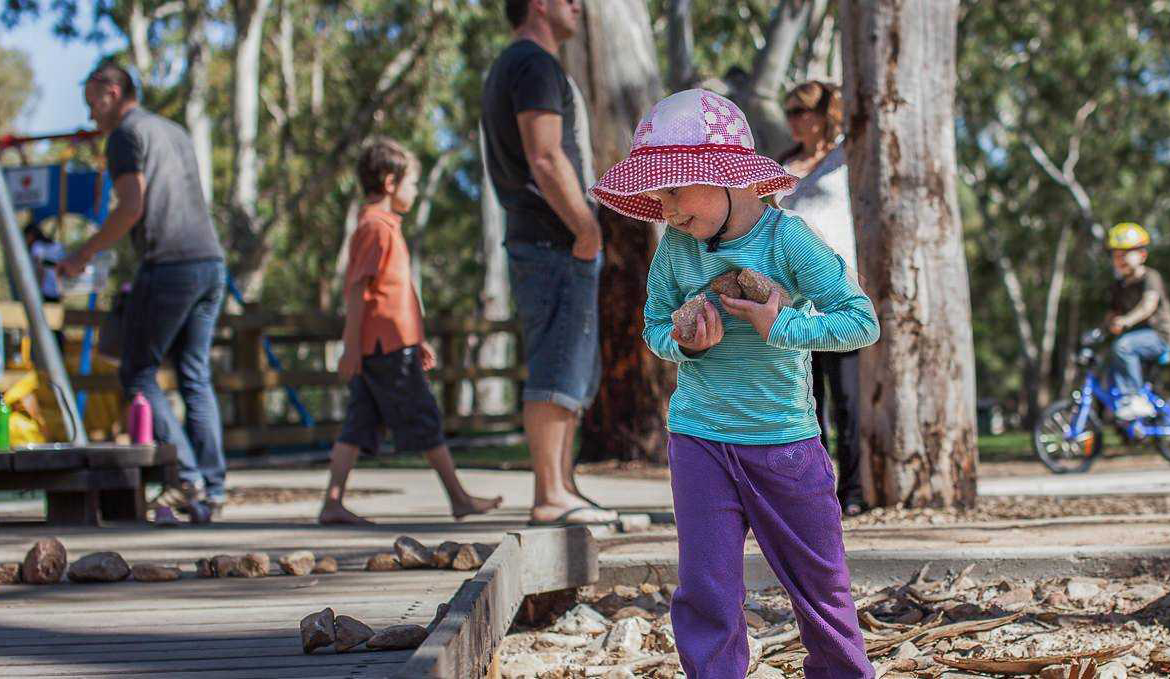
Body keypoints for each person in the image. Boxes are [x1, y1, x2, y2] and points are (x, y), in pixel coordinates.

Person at [591, 88, 878, 678]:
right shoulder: (675, 249)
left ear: (727, 175)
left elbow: (860, 321)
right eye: (657, 193)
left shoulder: (788, 240)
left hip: (784, 443)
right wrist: (684, 342)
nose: (666, 208)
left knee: (820, 586)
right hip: (698, 439)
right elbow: (654, 326)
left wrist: (784, 325)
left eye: (674, 189)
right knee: (707, 588)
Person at [60, 62, 228, 523]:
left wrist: (82, 254)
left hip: (170, 263)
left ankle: (187, 478)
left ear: (112, 92)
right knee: (194, 375)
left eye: (93, 103)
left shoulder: (124, 136)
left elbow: (131, 207)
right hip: (211, 263)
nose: (91, 115)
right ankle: (213, 488)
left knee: (137, 372)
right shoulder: (173, 130)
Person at [318, 138, 503, 525]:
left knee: (358, 424)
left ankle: (333, 502)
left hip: (391, 344)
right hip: (385, 348)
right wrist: (350, 347)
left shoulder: (384, 227)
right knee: (424, 417)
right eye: (413, 183)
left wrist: (416, 339)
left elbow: (393, 294)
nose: (415, 191)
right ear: (390, 182)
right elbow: (358, 291)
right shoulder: (376, 228)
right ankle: (459, 498)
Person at [481, 0, 616, 526]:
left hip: (549, 238)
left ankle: (564, 485)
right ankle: (550, 493)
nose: (577, 6)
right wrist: (586, 228)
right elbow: (545, 155)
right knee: (558, 361)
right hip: (553, 238)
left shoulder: (518, 63)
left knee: (573, 362)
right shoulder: (533, 63)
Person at [777, 80, 869, 517]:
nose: (793, 120)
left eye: (801, 111)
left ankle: (853, 491)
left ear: (823, 114)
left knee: (847, 398)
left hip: (839, 293)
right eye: (789, 112)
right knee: (805, 399)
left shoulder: (847, 158)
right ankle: (815, 488)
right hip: (794, 300)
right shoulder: (780, 165)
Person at [1102, 222, 1170, 421]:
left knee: (1123, 346)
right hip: (1135, 339)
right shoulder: (1118, 286)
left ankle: (1135, 398)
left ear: (1142, 255)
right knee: (1108, 358)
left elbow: (1148, 306)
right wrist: (1103, 328)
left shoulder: (1151, 277)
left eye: (1125, 254)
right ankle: (1124, 407)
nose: (1120, 259)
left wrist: (1125, 321)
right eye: (1116, 255)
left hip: (1159, 337)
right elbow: (1112, 313)